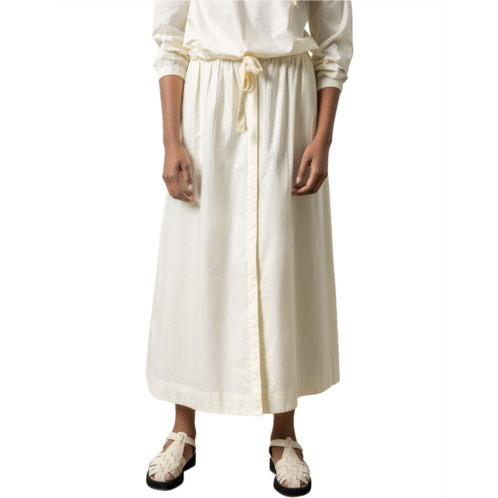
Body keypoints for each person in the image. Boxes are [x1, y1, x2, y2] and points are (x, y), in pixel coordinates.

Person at [146, 0, 353, 495]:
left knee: (283, 262)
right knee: (197, 262)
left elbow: (334, 43)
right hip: (208, 105)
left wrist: (323, 138)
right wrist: (171, 140)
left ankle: (285, 434)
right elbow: (171, 39)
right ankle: (182, 428)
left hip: (289, 106)